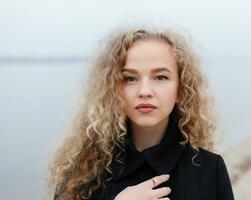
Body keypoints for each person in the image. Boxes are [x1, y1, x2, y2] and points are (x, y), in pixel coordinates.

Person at [46, 26, 235, 200]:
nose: (144, 91)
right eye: (130, 78)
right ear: (113, 89)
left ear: (181, 90)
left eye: (160, 77)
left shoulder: (210, 169)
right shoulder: (80, 172)